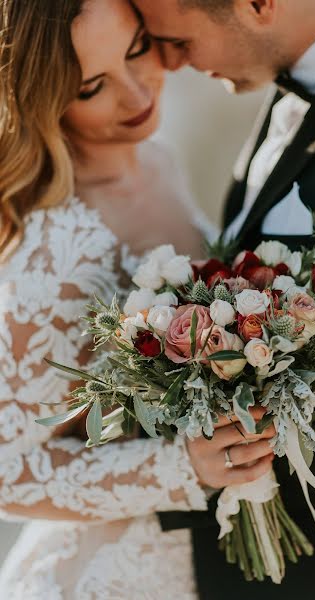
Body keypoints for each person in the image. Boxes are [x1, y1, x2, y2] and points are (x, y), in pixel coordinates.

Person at [0, 1, 276, 598]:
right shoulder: (56, 249)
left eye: (134, 50)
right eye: (92, 87)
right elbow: (3, 471)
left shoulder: (156, 155)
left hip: (219, 555)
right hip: (120, 572)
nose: (136, 95)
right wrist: (181, 466)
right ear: (43, 99)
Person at [133, 0, 315, 597]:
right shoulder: (286, 84)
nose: (169, 65)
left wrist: (192, 456)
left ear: (258, 5)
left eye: (178, 40)